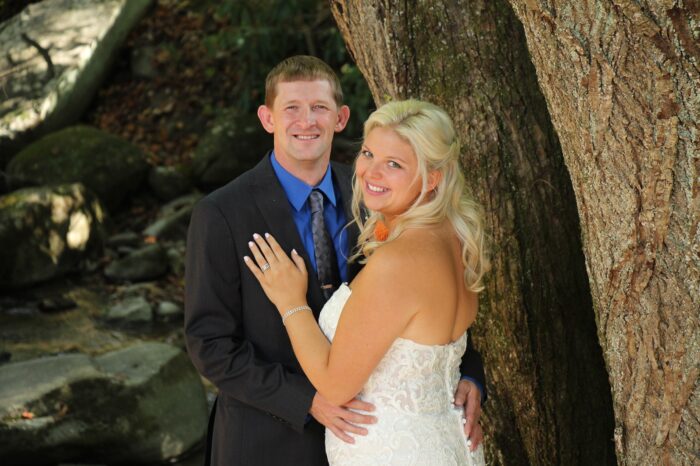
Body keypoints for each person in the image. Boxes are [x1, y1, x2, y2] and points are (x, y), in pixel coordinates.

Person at [185, 56, 486, 466]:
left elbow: (427, 316)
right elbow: (210, 345)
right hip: (267, 443)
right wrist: (305, 400)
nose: (306, 121)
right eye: (291, 107)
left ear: (341, 118)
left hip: (379, 441)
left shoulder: (376, 193)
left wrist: (467, 374)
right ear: (267, 118)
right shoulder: (221, 213)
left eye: (319, 108)